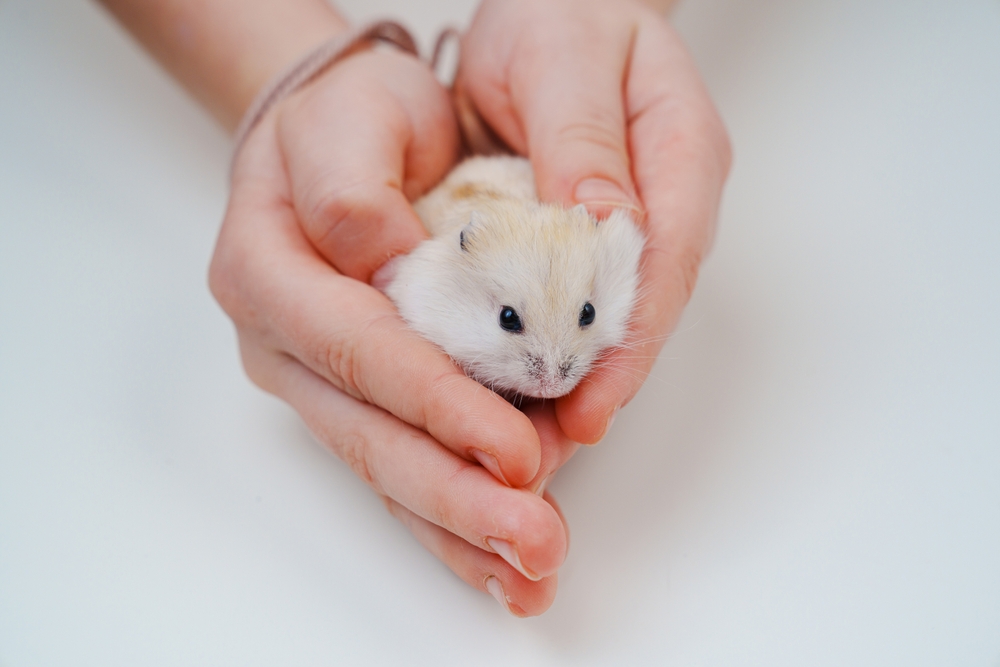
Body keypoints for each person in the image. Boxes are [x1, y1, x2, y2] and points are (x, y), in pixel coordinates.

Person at [98, 0, 731, 616]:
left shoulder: (600, 244)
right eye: (510, 321)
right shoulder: (444, 261)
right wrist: (303, 79)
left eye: (586, 318)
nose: (555, 376)